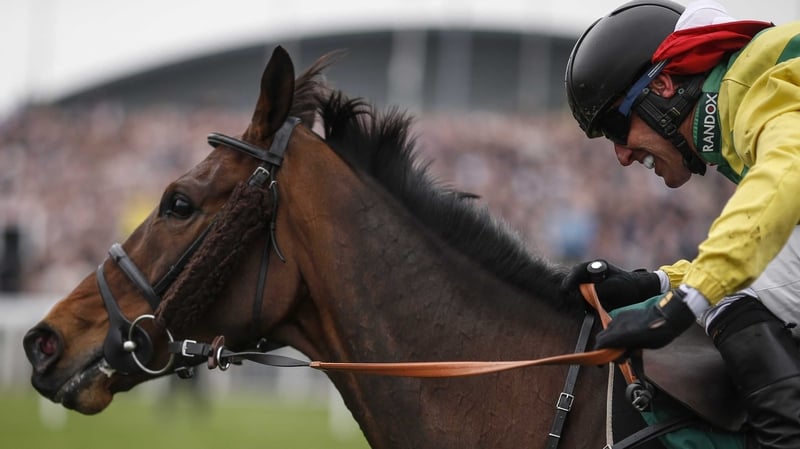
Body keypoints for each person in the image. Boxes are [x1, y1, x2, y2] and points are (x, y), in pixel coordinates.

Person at [561, 0, 800, 447]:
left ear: (665, 85)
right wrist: (654, 283)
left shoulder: (756, 81)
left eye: (616, 126)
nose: (622, 155)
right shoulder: (742, 99)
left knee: (723, 293)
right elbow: (767, 252)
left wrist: (680, 307)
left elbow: (788, 176)